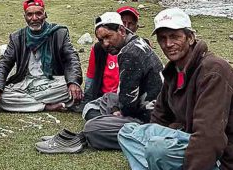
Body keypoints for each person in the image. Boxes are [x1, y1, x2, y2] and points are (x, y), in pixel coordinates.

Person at [118, 8, 233, 170]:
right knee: (127, 133)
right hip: (190, 140)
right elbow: (160, 116)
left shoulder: (213, 72)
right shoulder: (174, 71)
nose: (168, 44)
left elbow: (210, 138)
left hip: (223, 164)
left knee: (157, 150)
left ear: (190, 38)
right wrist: (157, 133)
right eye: (162, 38)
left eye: (175, 36)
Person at [38, 11, 163, 153]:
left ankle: (81, 139)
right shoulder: (137, 42)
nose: (106, 44)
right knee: (106, 99)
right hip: (145, 105)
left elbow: (128, 106)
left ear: (121, 30)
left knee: (92, 128)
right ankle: (101, 126)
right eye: (101, 40)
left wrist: (119, 111)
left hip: (149, 117)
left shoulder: (129, 53)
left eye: (108, 37)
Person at [0, 0, 82, 112]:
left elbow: (72, 59)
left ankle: (29, 103)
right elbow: (4, 64)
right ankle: (47, 106)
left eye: (38, 14)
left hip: (53, 81)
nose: (34, 18)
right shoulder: (17, 38)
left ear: (45, 14)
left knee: (69, 89)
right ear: (25, 17)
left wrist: (73, 82)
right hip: (26, 82)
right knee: (3, 98)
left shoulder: (59, 33)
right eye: (29, 15)